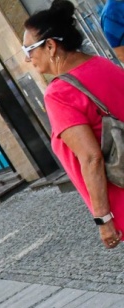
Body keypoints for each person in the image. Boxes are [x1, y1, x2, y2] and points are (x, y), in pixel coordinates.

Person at [24, 1, 124, 250]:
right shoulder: (104, 65)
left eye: (29, 50)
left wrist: (103, 218)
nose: (27, 59)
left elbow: (91, 158)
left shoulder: (59, 93)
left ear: (50, 46)